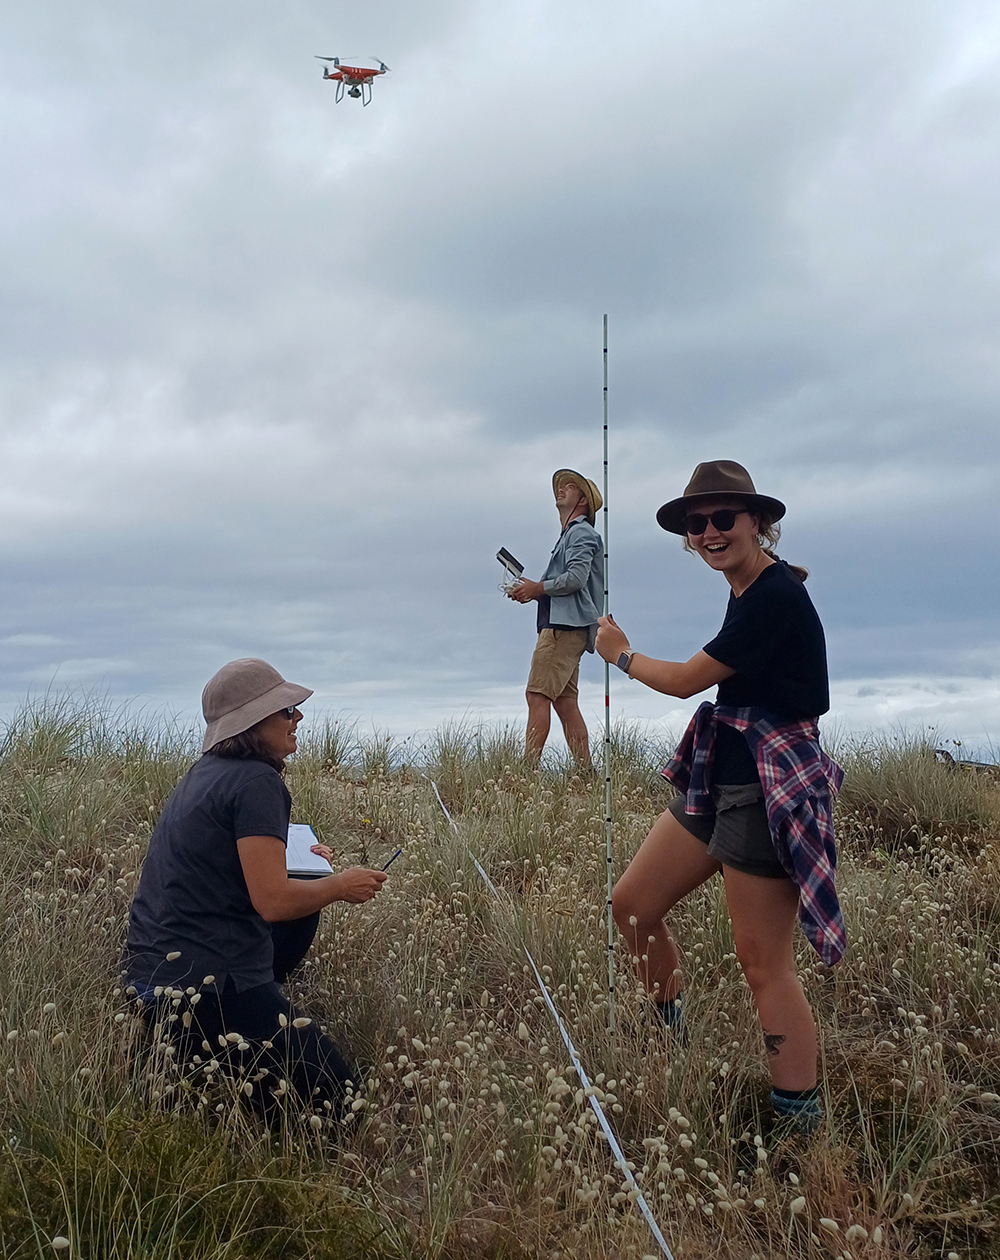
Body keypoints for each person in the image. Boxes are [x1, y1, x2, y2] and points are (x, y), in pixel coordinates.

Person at [595, 460, 843, 1133]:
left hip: (765, 790)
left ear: (759, 522)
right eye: (697, 524)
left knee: (763, 962)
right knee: (633, 906)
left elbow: (683, 681)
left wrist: (619, 653)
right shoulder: (748, 587)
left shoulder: (771, 598)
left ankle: (798, 1126)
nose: (708, 532)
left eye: (723, 518)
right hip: (723, 777)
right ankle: (671, 1034)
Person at [124, 657, 387, 1120]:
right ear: (252, 723)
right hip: (207, 987)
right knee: (342, 1102)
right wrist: (340, 885)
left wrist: (300, 861)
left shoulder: (204, 774)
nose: (298, 718)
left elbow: (223, 862)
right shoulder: (257, 782)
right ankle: (242, 1043)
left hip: (155, 978)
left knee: (305, 905)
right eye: (286, 711)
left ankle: (221, 1042)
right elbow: (273, 900)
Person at [508, 469, 605, 769]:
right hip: (569, 626)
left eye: (570, 486)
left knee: (537, 695)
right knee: (565, 702)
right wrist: (534, 591)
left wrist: (537, 588)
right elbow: (571, 582)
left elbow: (575, 579)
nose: (561, 490)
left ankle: (526, 772)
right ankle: (585, 772)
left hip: (562, 629)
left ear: (584, 501)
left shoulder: (580, 533)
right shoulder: (573, 535)